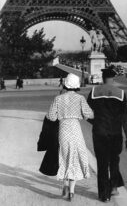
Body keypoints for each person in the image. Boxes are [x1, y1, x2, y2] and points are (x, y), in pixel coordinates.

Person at [46, 73, 94, 202]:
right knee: (75, 158)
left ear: (65, 84)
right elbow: (89, 114)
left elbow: (51, 116)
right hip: (76, 130)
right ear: (77, 85)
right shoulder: (80, 98)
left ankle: (65, 186)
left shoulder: (58, 98)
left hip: (63, 129)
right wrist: (82, 115)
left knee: (64, 156)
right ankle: (72, 191)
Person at [87, 68, 127, 203]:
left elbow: (87, 113)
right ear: (113, 78)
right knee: (114, 160)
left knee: (101, 163)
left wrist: (96, 122)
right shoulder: (121, 94)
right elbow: (125, 117)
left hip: (99, 132)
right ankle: (113, 187)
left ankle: (103, 195)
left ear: (102, 78)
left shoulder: (94, 92)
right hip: (115, 133)